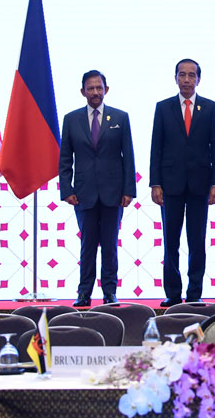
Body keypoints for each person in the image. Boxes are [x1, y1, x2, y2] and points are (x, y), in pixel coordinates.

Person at [150, 59, 215, 307]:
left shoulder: (210, 108)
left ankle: (194, 293)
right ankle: (172, 293)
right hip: (169, 185)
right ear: (175, 78)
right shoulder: (163, 108)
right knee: (170, 241)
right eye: (182, 75)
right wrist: (155, 183)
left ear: (198, 79)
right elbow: (156, 148)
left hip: (200, 185)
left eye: (191, 75)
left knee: (196, 241)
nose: (186, 80)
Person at [59, 70, 136, 307]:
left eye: (99, 88)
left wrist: (128, 190)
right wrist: (66, 190)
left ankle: (110, 292)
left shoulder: (120, 118)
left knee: (110, 245)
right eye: (90, 89)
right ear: (83, 92)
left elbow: (128, 157)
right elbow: (64, 159)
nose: (95, 92)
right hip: (83, 193)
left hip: (113, 193)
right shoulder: (71, 119)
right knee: (88, 245)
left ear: (106, 89)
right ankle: (84, 293)